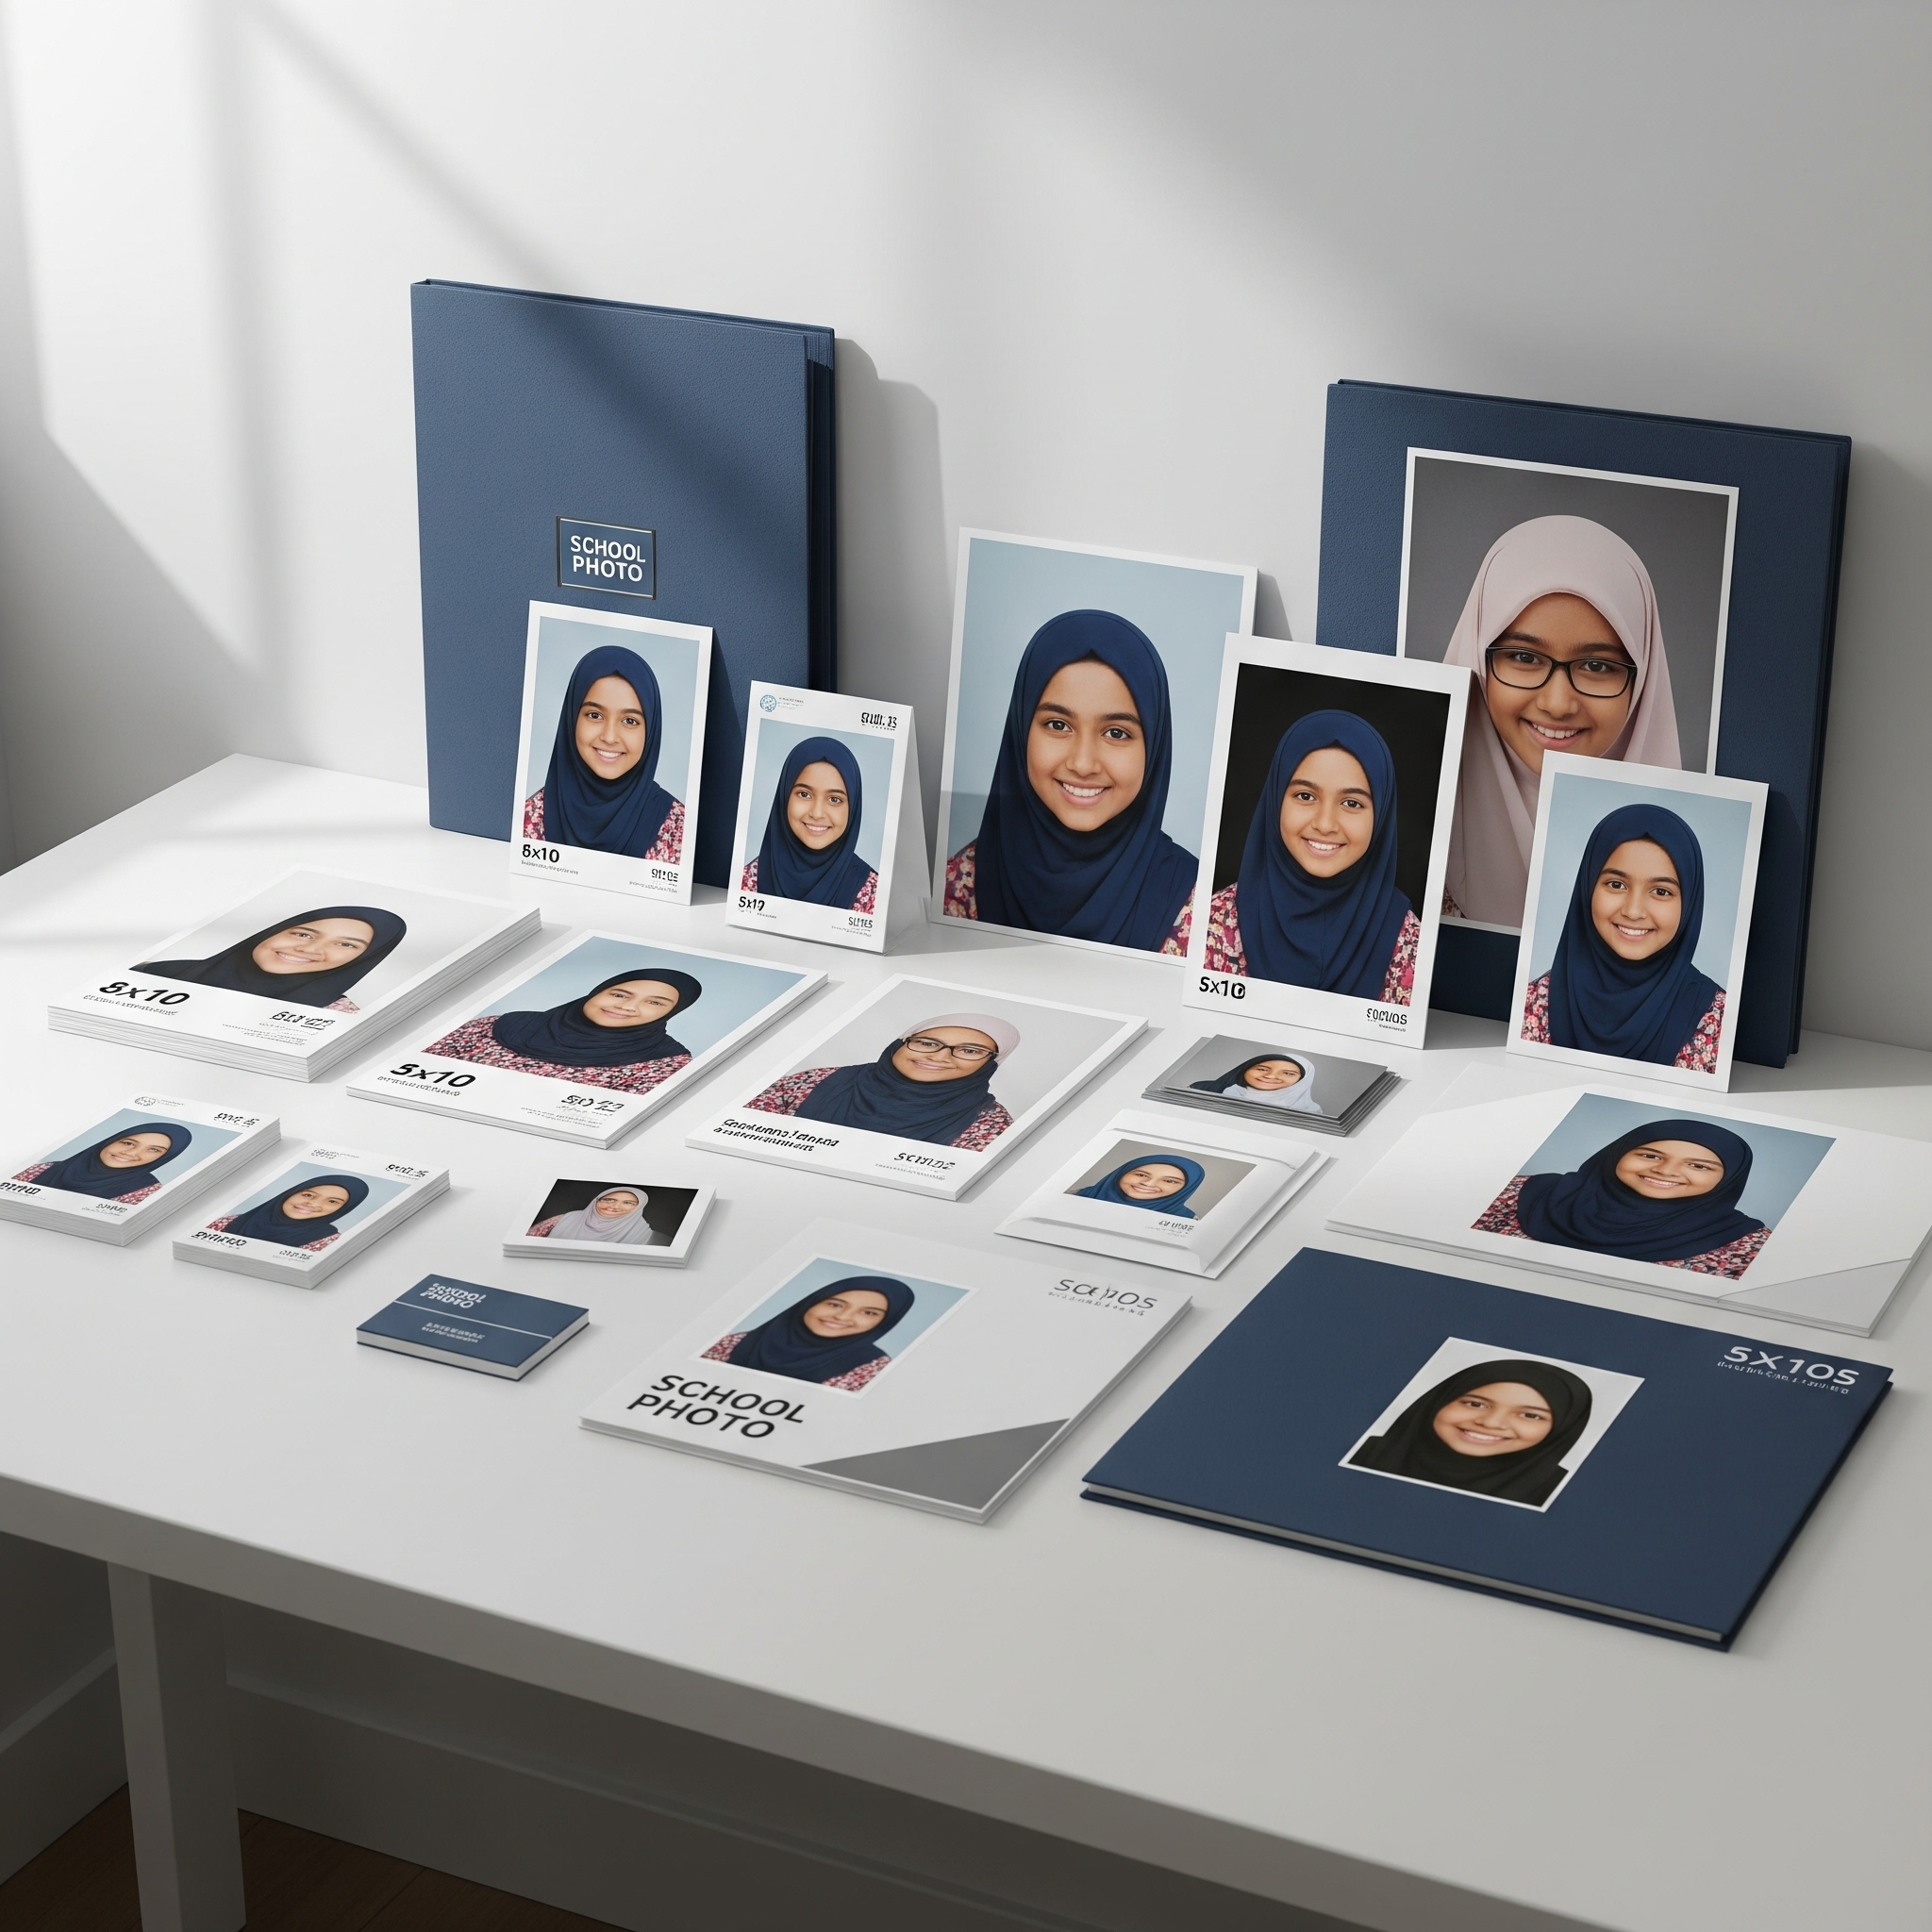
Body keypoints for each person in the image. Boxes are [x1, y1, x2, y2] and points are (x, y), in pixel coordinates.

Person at [1440, 515, 1683, 927]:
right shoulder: (1392, 828)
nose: (1557, 704)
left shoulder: (1700, 864)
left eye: (1596, 665)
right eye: (1523, 657)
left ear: (1642, 678)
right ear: (1478, 659)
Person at [943, 609, 1196, 953]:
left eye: (1116, 732)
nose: (1082, 763)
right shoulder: (958, 887)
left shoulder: (1198, 910)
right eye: (1058, 725)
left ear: (1153, 748)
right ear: (1021, 731)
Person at [1201, 711, 1419, 1004]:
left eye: (1352, 803)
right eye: (1305, 796)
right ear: (1276, 799)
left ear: (1380, 817)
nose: (1325, 823)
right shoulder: (1213, 923)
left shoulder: (1408, 942)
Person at [1522, 801, 1724, 1072]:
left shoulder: (1719, 1018)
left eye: (1661, 891)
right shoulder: (1535, 1003)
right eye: (1616, 885)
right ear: (1588, 887)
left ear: (1688, 904)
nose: (1633, 911)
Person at [1475, 1118, 1770, 1280]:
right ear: (1617, 1153)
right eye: (1650, 1155)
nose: (1665, 1170)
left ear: (1728, 1179)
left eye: (1699, 1166)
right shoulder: (1521, 1192)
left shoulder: (1749, 1247)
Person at [747, 1013, 1019, 1151]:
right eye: (926, 1043)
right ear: (898, 1046)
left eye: (969, 1050)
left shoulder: (990, 1123)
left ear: (990, 1064)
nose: (939, 1056)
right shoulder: (815, 1081)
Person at [1347, 1357, 1594, 1507]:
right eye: (1475, 1404)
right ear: (1438, 1401)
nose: (1491, 1423)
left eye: (1530, 1415)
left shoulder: (1564, 1493)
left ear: (1562, 1429)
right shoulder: (1362, 1451)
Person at [522, 643, 685, 861]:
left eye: (629, 721)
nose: (609, 737)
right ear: (571, 719)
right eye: (595, 715)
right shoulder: (530, 817)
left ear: (651, 730)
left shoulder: (679, 830)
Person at [427, 968, 702, 1094]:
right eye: (619, 994)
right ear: (596, 993)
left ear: (671, 1012)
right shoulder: (496, 1025)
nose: (629, 1007)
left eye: (655, 1003)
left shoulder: (665, 1062)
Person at [138, 905, 407, 1012]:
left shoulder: (337, 1016)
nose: (310, 950)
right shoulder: (155, 973)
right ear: (268, 933)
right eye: (303, 934)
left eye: (346, 944)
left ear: (364, 959)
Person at [702, 1275, 916, 1391]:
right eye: (835, 1304)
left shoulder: (872, 1368)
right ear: (811, 1303)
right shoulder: (734, 1342)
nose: (842, 1317)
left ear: (884, 1322)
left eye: (869, 1312)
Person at [740, 735, 878, 911]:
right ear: (784, 797)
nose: (817, 813)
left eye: (835, 799)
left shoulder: (873, 894)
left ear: (852, 808)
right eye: (804, 794)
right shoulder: (747, 882)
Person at [15, 1122, 194, 1205]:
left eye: (154, 1150)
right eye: (128, 1143)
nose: (131, 1153)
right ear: (111, 1140)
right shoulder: (44, 1169)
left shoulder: (146, 1193)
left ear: (164, 1158)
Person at [208, 1174, 370, 1253]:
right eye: (308, 1195)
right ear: (289, 1194)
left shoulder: (328, 1243)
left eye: (333, 1202)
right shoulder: (226, 1223)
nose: (313, 1203)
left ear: (342, 1210)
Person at [1076, 1154, 1208, 1218]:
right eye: (1141, 1175)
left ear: (1186, 1189)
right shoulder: (1075, 1196)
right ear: (1121, 1173)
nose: (1148, 1183)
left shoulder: (1188, 1222)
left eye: (1169, 1181)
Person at [527, 1186, 667, 1245]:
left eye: (627, 1203)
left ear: (638, 1208)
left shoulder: (654, 1239)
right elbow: (527, 1241)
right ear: (596, 1201)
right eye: (608, 1199)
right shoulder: (565, 1219)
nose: (614, 1206)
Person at [1191, 1053, 1322, 1114]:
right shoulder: (1202, 1088)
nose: (1270, 1076)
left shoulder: (1310, 1110)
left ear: (1302, 1081)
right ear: (1246, 1069)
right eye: (1262, 1069)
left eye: (1288, 1073)